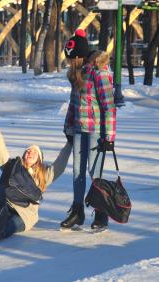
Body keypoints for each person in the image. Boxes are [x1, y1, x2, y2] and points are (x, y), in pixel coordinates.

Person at [0, 112, 72, 242]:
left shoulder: (43, 174)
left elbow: (59, 165)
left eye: (34, 152)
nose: (30, 152)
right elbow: (1, 150)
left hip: (24, 213)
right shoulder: (13, 167)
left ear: (39, 159)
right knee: (0, 188)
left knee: (12, 224)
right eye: (28, 151)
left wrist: (69, 143)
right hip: (6, 204)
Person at [61, 29, 116, 232]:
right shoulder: (78, 73)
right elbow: (73, 104)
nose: (69, 63)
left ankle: (101, 213)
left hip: (95, 131)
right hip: (78, 129)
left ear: (80, 57)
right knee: (77, 171)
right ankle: (77, 211)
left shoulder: (99, 73)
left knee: (95, 173)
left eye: (71, 59)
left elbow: (109, 106)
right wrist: (68, 126)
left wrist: (109, 136)